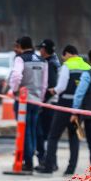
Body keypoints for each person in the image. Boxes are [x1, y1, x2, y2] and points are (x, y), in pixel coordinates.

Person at [35, 44, 90, 175]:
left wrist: (52, 91)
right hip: (80, 107)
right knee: (73, 137)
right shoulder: (88, 67)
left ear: (68, 54)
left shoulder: (67, 66)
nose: (63, 59)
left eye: (64, 56)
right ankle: (70, 169)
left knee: (53, 136)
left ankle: (48, 167)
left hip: (64, 104)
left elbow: (61, 87)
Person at [8, 36, 48, 172]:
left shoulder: (20, 59)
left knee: (24, 131)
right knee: (32, 130)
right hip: (36, 100)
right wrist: (41, 99)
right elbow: (44, 84)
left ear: (20, 46)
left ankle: (28, 161)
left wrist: (14, 90)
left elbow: (16, 75)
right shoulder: (43, 61)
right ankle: (31, 159)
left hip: (23, 101)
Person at [35, 39, 61, 167]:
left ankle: (48, 162)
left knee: (44, 135)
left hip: (48, 104)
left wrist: (41, 102)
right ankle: (50, 161)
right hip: (52, 104)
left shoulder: (50, 64)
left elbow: (50, 86)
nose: (39, 51)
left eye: (41, 49)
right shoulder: (54, 62)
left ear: (44, 50)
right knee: (48, 135)